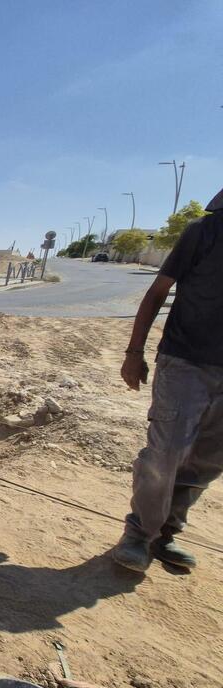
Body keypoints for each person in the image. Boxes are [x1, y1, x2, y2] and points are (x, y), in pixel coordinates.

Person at [114, 188, 223, 572]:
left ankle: (166, 534)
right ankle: (139, 534)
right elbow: (158, 291)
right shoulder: (205, 232)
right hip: (185, 361)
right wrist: (134, 352)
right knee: (166, 452)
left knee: (208, 460)